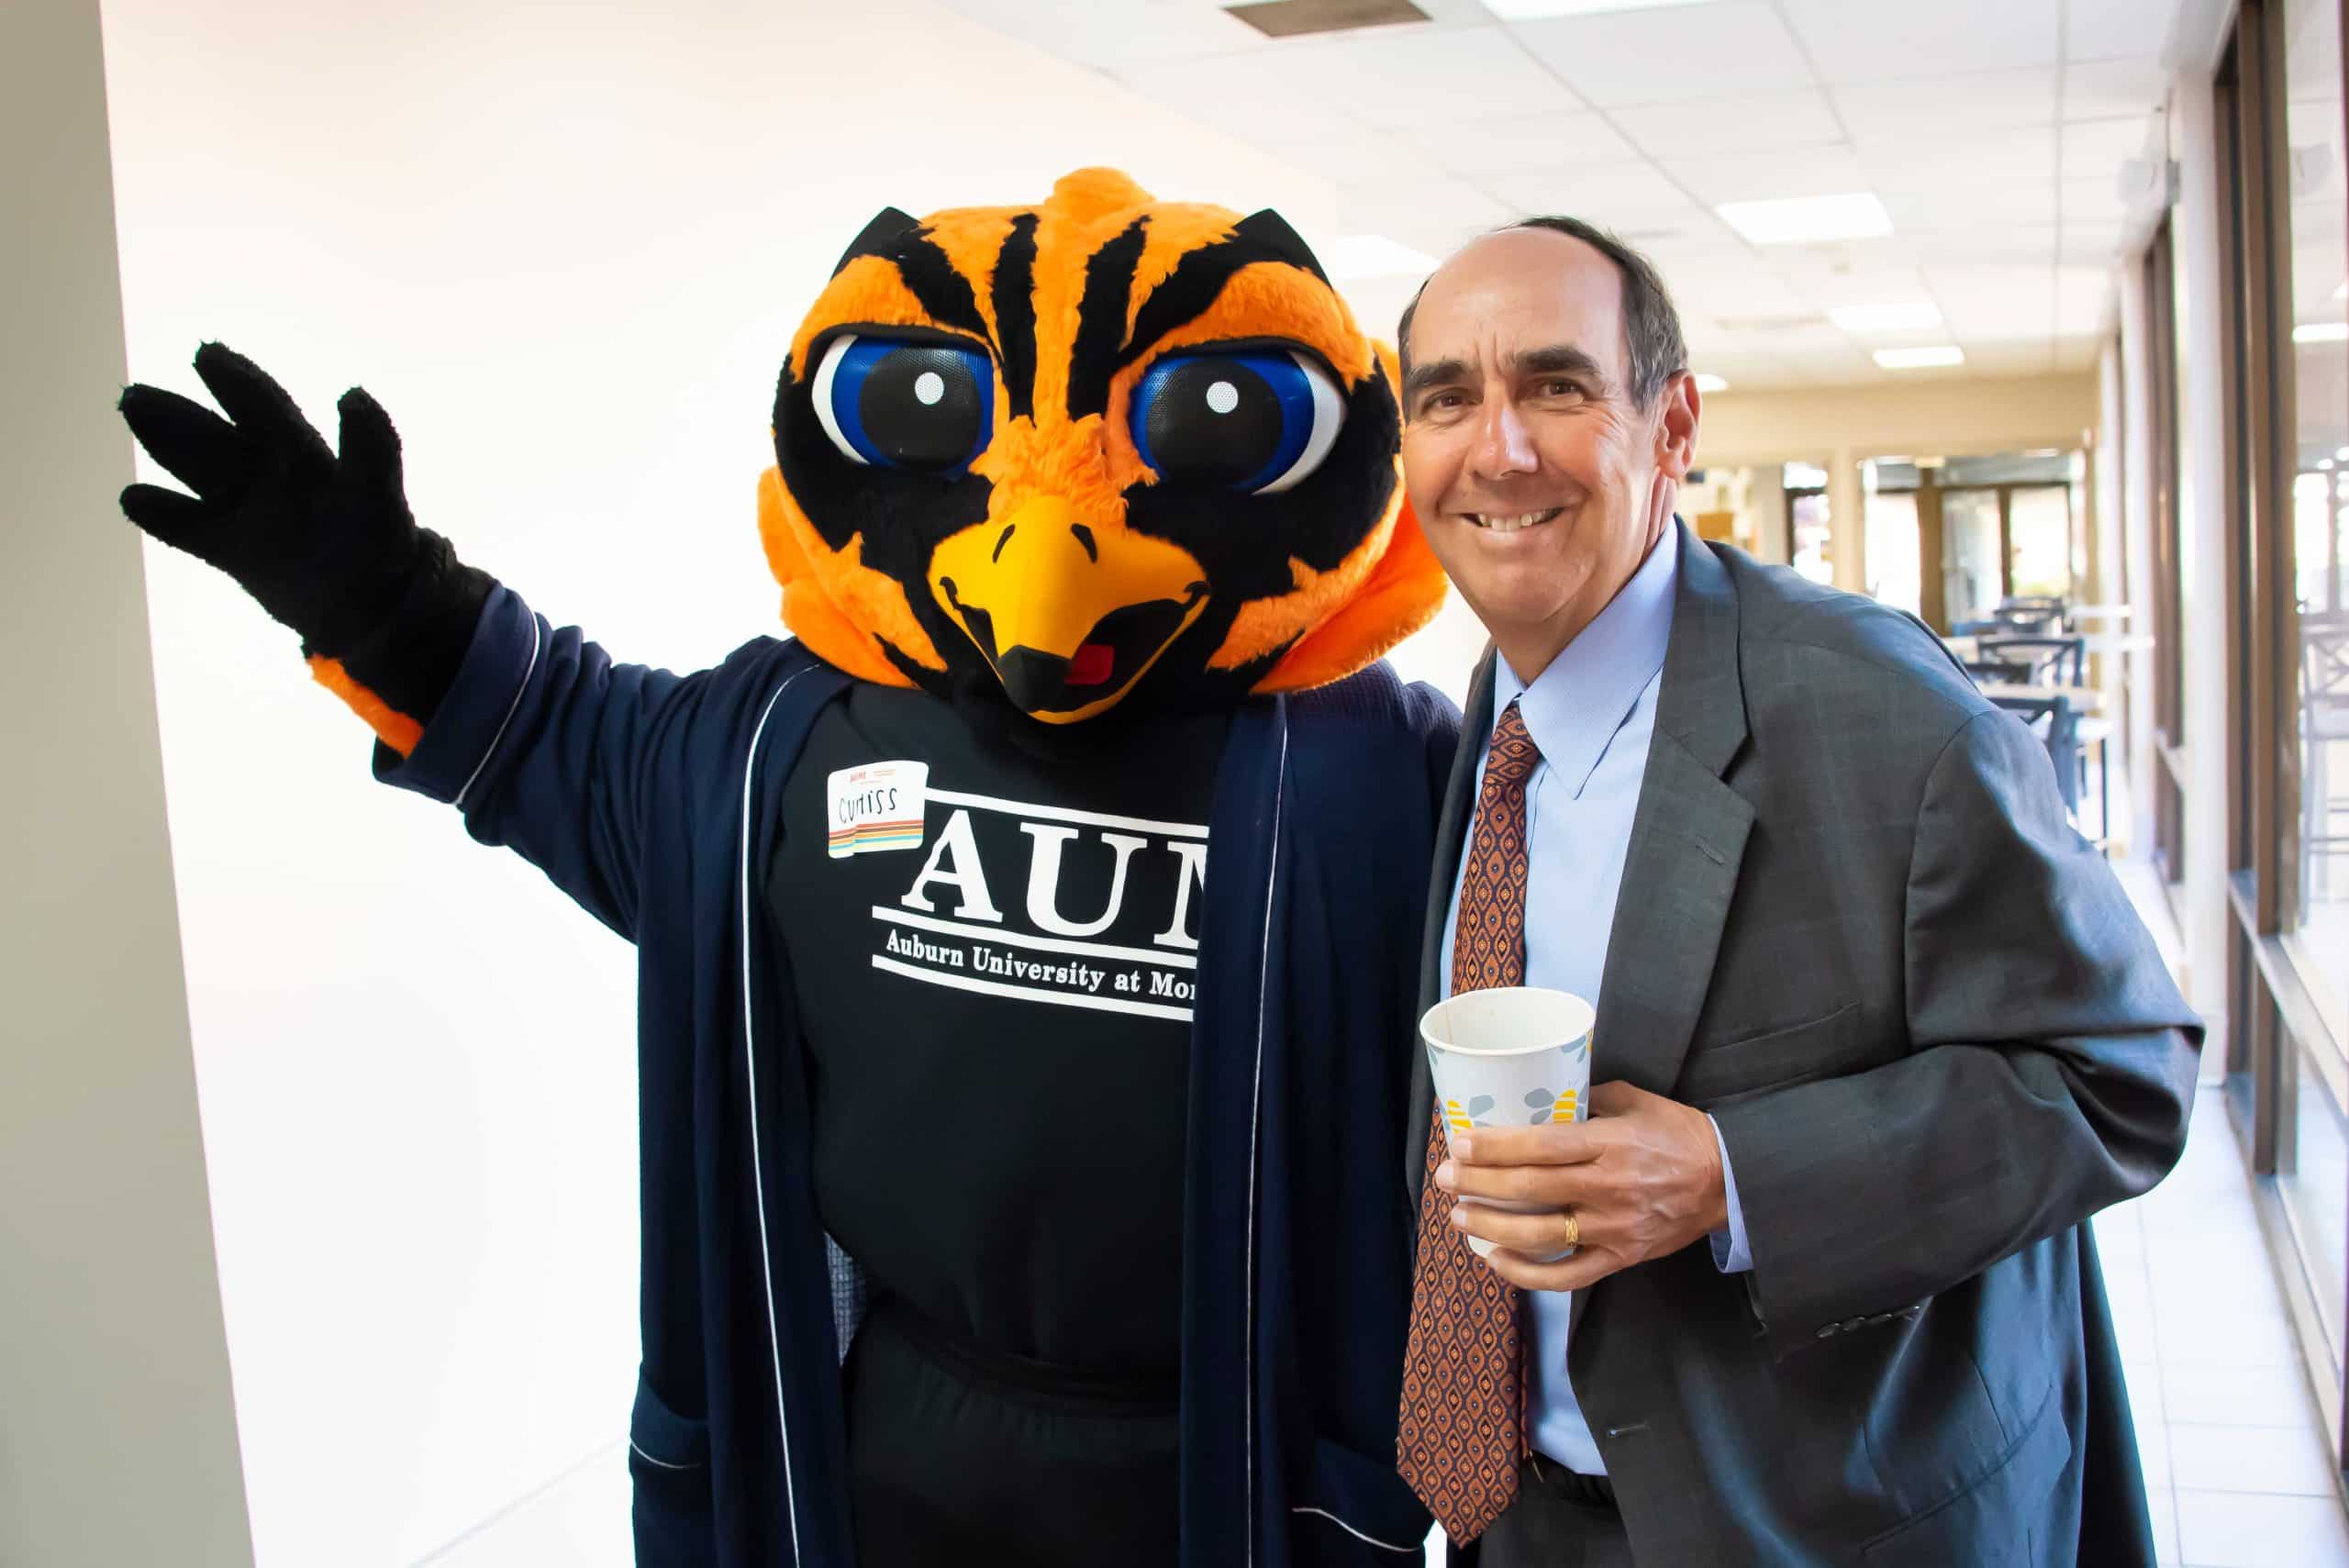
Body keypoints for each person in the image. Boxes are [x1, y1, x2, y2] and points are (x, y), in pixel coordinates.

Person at [113, 169, 1453, 1568]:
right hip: (889, 1439)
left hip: (1234, 1456)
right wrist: (382, 600)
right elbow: (556, 735)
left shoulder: (1382, 774)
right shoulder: (780, 741)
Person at [1388, 216, 2200, 1567]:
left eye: (1556, 385)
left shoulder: (1884, 712)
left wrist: (1730, 1176)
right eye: (1447, 399)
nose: (1500, 447)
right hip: (1520, 1521)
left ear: (1672, 425)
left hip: (1824, 1524)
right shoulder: (1488, 722)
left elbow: (2123, 1074)